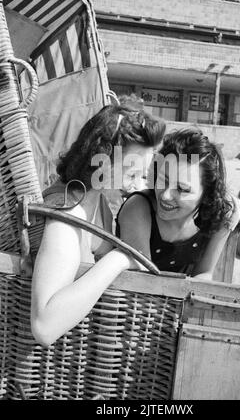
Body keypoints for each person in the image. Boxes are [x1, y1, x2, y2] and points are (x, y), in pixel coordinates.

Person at [31, 103, 166, 347]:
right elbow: (44, 326)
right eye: (131, 172)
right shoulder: (66, 213)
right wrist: (120, 258)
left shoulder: (96, 200)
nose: (136, 185)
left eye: (141, 175)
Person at [116, 128, 240, 279]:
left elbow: (204, 273)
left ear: (207, 195)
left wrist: (226, 225)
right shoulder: (138, 208)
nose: (166, 195)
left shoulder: (219, 215)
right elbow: (142, 281)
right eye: (164, 179)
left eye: (182, 189)